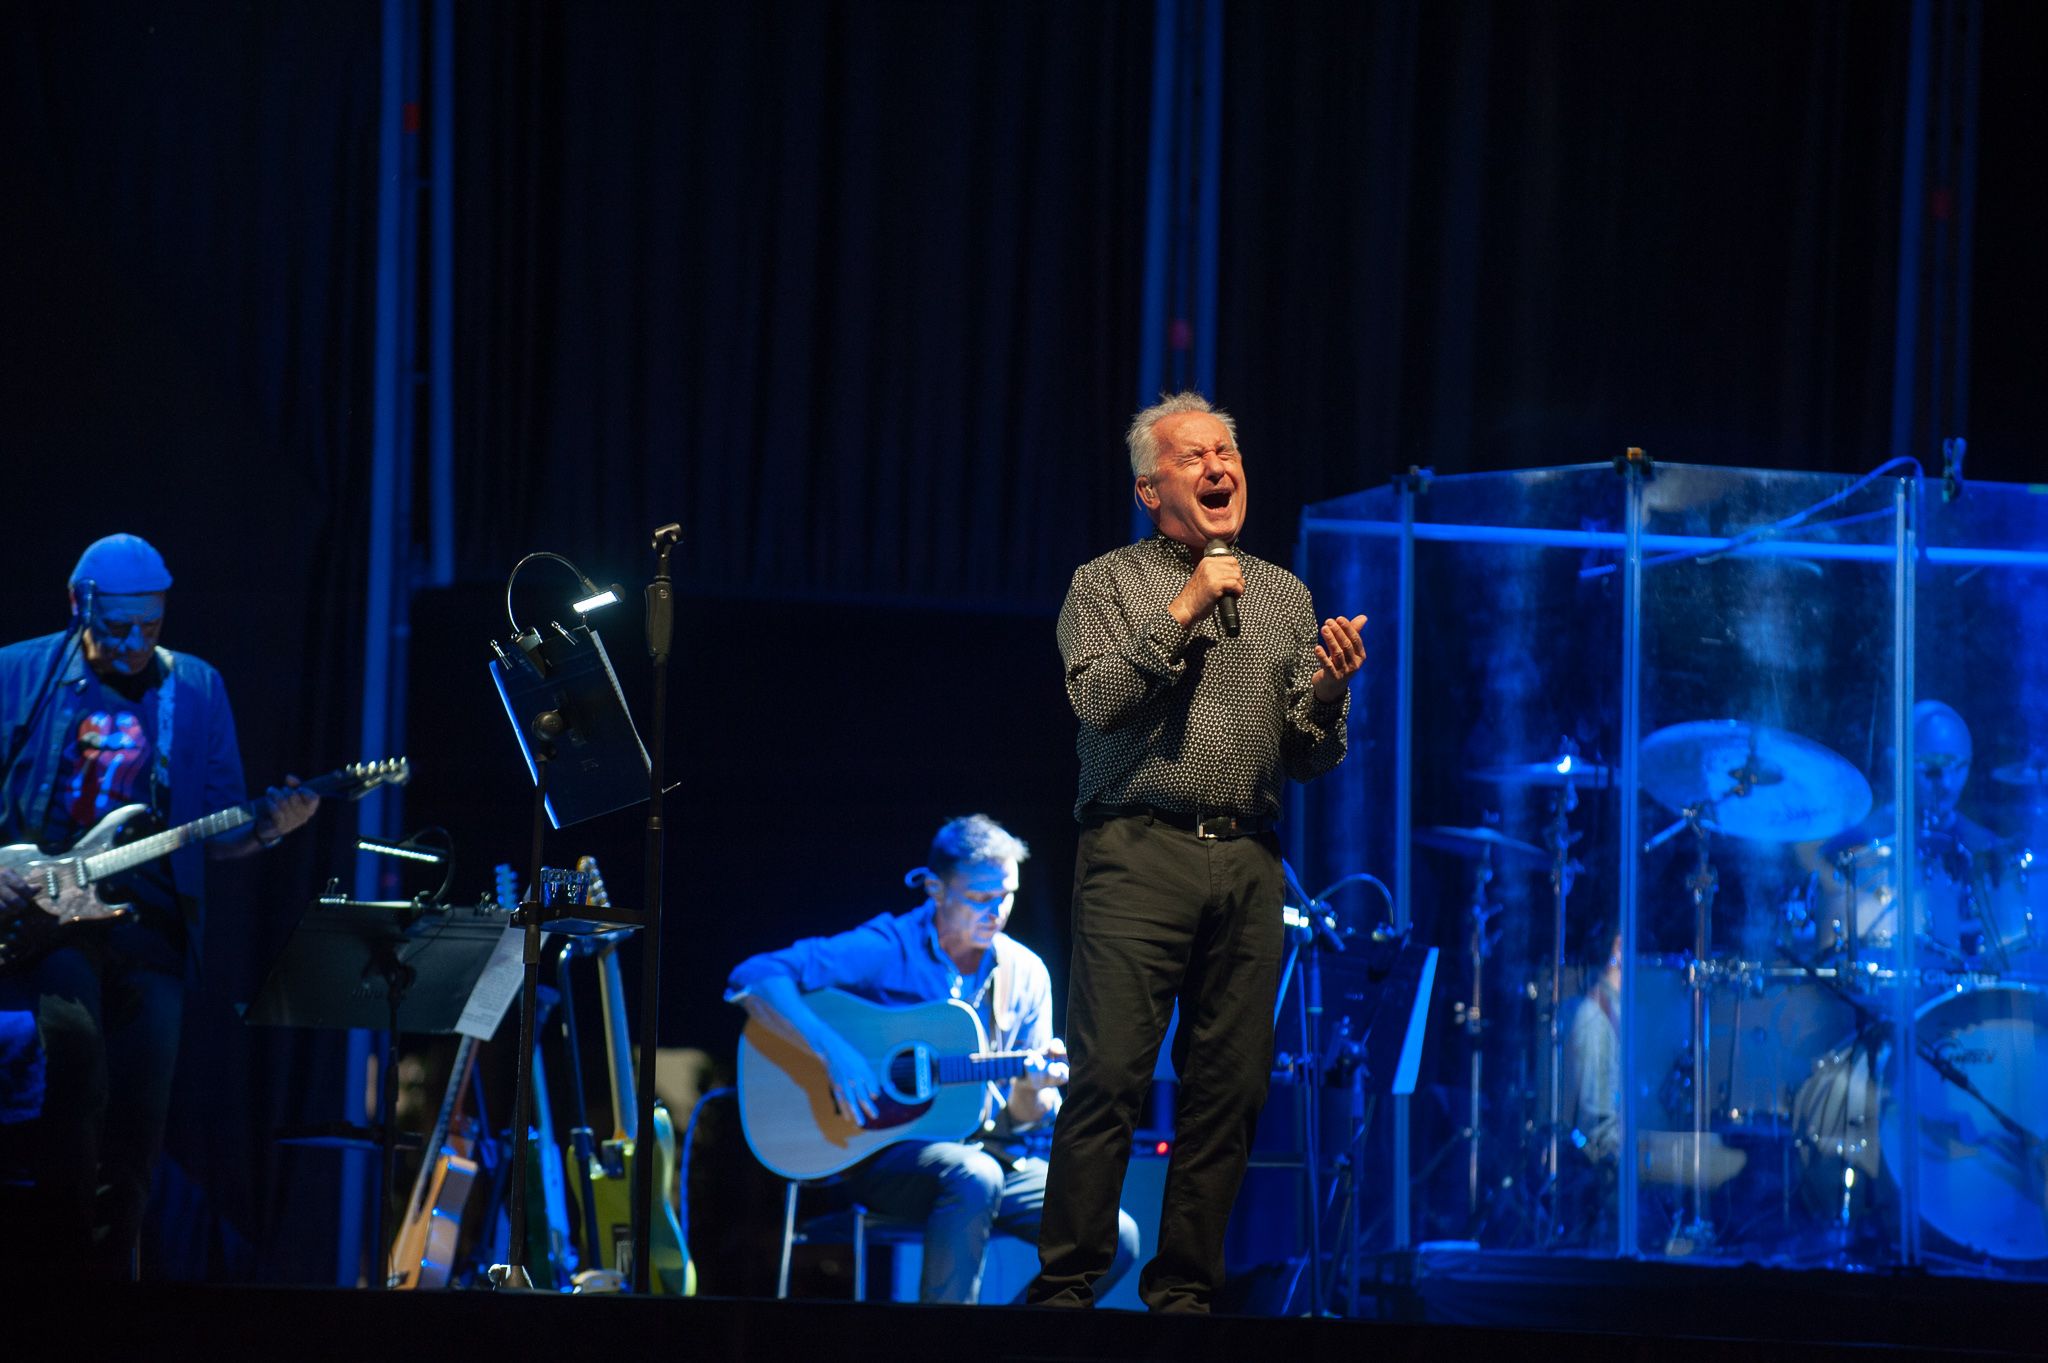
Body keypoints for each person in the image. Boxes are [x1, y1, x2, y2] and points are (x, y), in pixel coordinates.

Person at [1028, 393, 1366, 1312]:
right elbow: (1098, 701)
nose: (1219, 467)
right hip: (1137, 849)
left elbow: (1307, 755)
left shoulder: (1283, 593)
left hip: (1249, 859)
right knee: (1109, 1077)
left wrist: (1327, 692)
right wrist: (1185, 605)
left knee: (1231, 1088)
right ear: (1151, 489)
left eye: (1228, 452)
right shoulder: (1104, 583)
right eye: (1194, 456)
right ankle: (1065, 1290)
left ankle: (1182, 1295)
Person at [0, 533, 318, 1275]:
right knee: (75, 1072)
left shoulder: (195, 687)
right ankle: (54, 1281)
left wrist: (271, 827)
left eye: (151, 624)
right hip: (51, 925)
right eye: (118, 627)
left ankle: (110, 1293)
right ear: (79, 604)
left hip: (153, 930)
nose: (136, 642)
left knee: (138, 1121)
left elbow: (220, 829)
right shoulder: (18, 673)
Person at [726, 814, 1139, 1304]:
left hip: (996, 1154)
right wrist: (836, 1054)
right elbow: (755, 976)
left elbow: (1025, 1116)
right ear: (935, 889)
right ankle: (943, 1340)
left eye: (1007, 895)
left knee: (1112, 1234)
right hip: (886, 1158)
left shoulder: (1026, 973)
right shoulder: (888, 948)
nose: (997, 912)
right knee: (973, 1176)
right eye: (981, 898)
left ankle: (1016, 1337)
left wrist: (1032, 1088)